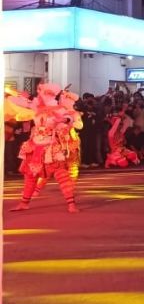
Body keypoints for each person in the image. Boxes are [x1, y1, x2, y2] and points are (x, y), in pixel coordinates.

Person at [11, 83, 81, 213]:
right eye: (42, 91)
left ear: (53, 95)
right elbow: (16, 101)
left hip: (51, 146)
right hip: (35, 145)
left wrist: (63, 120)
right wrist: (23, 96)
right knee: (30, 176)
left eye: (46, 92)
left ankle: (71, 204)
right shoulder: (36, 107)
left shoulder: (59, 108)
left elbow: (70, 119)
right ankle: (24, 203)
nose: (42, 94)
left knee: (62, 175)